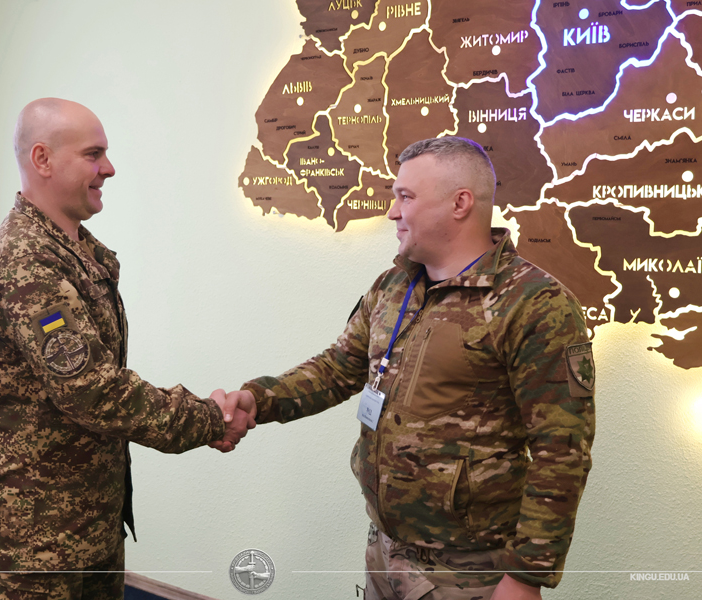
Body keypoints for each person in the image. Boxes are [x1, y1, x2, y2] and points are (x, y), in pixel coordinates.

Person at [218, 137, 595, 599]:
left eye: (406, 197)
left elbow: (562, 450)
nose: (392, 212)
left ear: (460, 203)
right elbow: (338, 368)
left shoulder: (535, 303)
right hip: (384, 550)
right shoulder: (395, 285)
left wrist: (526, 576)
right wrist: (257, 399)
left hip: (468, 570)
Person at [0, 98, 254, 600]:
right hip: (32, 541)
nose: (109, 168)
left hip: (87, 521)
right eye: (93, 154)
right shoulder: (24, 260)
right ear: (42, 159)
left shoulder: (77, 251)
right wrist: (209, 419)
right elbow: (94, 391)